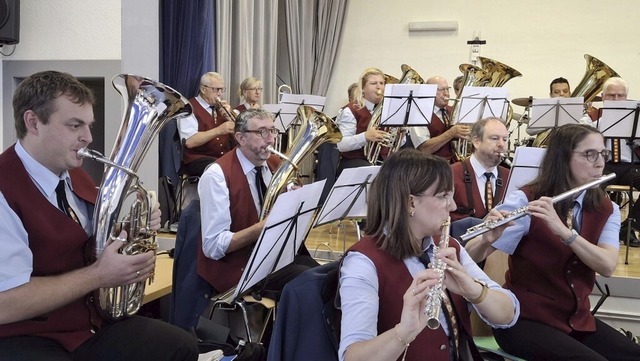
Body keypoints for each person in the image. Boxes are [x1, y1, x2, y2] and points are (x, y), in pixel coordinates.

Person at [0, 70, 198, 360]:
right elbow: (6, 302)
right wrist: (98, 275)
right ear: (33, 122)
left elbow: (86, 242)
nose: (88, 137)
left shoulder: (74, 175)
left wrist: (134, 229)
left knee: (180, 347)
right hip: (25, 335)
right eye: (74, 125)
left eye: (89, 125)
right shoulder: (5, 188)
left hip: (87, 324)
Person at [465, 124, 640, 360]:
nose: (600, 163)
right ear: (563, 158)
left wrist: (565, 233)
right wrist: (486, 240)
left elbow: (607, 265)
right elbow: (469, 256)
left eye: (603, 154)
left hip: (575, 319)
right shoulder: (527, 200)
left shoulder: (606, 208)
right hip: (524, 321)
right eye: (590, 154)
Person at [339, 149, 519, 361]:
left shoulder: (447, 246)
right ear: (411, 203)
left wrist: (473, 290)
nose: (452, 206)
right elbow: (352, 356)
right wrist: (403, 333)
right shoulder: (363, 262)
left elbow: (508, 314)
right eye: (444, 196)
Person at [197, 108, 318, 297]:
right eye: (262, 132)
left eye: (272, 131)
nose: (270, 139)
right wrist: (265, 226)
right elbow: (213, 246)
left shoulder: (275, 165)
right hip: (242, 269)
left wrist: (297, 202)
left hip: (274, 256)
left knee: (331, 275)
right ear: (241, 138)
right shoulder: (217, 175)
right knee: (311, 284)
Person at [335, 67, 395, 173]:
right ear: (363, 88)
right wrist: (365, 136)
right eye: (373, 83)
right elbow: (341, 144)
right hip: (354, 161)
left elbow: (395, 141)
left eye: (382, 83)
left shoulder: (388, 110)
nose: (379, 87)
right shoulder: (351, 110)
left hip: (381, 160)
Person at [451, 117, 510, 222]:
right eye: (494, 138)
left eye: (505, 139)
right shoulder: (452, 173)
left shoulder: (509, 176)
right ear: (476, 141)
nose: (502, 144)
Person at [178, 71, 236, 177]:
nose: (220, 94)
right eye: (216, 89)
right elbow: (190, 141)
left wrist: (230, 117)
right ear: (203, 89)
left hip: (224, 157)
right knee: (220, 169)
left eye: (222, 89)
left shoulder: (222, 108)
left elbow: (243, 136)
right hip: (198, 159)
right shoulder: (188, 108)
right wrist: (219, 130)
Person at [411, 76, 470, 163]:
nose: (446, 93)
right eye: (441, 90)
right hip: (431, 168)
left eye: (447, 89)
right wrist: (451, 133)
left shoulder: (453, 111)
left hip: (455, 165)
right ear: (428, 92)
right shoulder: (419, 115)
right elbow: (423, 149)